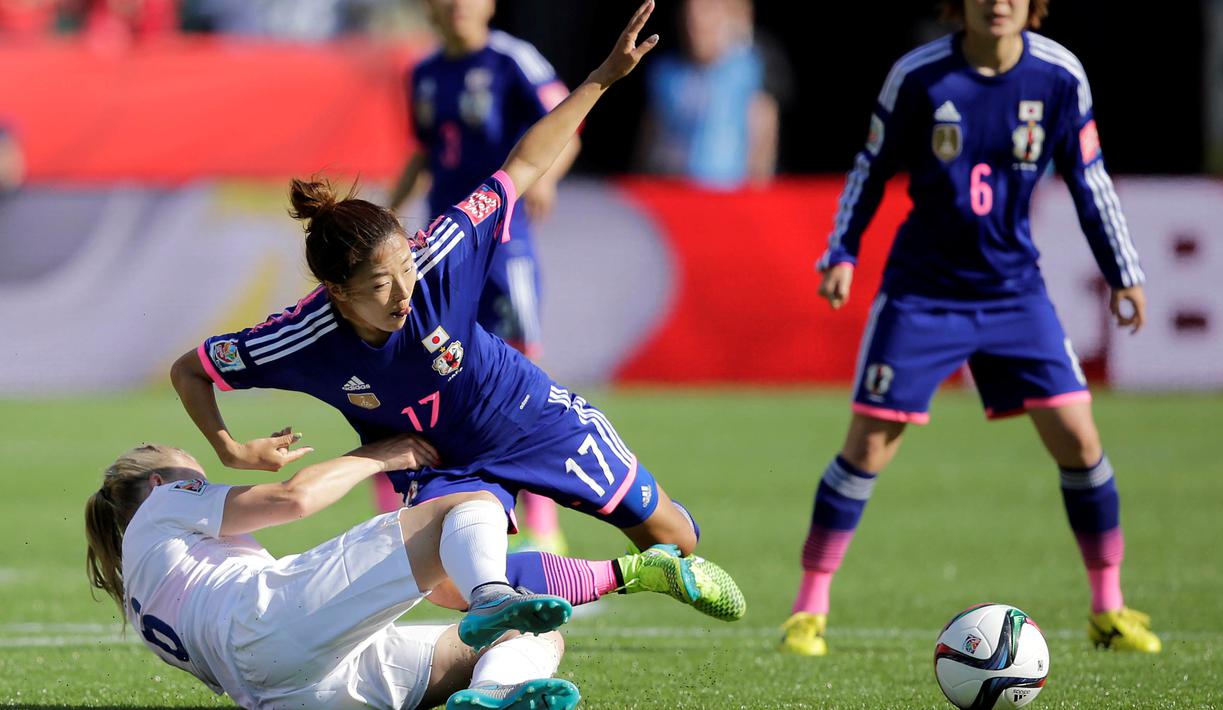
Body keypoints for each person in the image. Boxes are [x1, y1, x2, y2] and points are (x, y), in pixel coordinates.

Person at [170, 0, 745, 624]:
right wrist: (230, 448)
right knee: (445, 582)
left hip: (527, 415)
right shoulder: (301, 338)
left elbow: (521, 165)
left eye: (404, 272)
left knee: (679, 542)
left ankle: (651, 559)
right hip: (439, 457)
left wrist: (605, 76)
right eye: (379, 286)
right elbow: (191, 370)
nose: (403, 295)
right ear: (336, 291)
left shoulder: (440, 251)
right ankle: (623, 579)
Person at [780, 0, 1160, 656]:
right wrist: (841, 251)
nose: (999, 3)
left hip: (1014, 291)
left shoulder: (1059, 77)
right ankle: (807, 610)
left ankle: (1108, 608)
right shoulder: (919, 77)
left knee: (1077, 436)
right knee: (868, 447)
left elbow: (1087, 179)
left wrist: (1123, 271)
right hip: (922, 294)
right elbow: (870, 167)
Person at [84, 438, 581, 709]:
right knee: (472, 501)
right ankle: (490, 595)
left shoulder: (141, 589)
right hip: (266, 627)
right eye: (198, 478)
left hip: (285, 690)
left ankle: (493, 694)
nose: (210, 487)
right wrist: (379, 455)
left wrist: (448, 575)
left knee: (536, 635)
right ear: (158, 484)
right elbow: (293, 498)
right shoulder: (165, 504)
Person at [385, 0, 582, 552]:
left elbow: (569, 127)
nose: (457, 6)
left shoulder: (514, 60)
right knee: (436, 374)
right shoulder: (423, 74)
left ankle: (545, 527)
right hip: (442, 250)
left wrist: (548, 177)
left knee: (523, 375)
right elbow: (426, 154)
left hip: (504, 244)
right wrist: (385, 218)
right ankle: (441, 509)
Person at [636, 0, 779, 189]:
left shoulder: (748, 71)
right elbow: (649, 142)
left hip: (727, 197)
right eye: (690, 12)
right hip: (671, 195)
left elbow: (764, 124)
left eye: (708, 11)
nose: (696, 22)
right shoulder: (664, 75)